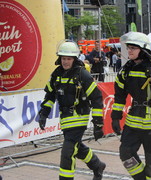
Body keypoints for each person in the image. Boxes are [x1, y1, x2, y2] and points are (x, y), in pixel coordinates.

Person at [38, 40, 106, 180]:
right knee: (76, 146)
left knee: (67, 152)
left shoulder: (83, 75)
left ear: (75, 59)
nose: (66, 62)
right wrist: (44, 113)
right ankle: (97, 165)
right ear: (59, 58)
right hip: (65, 119)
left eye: (69, 59)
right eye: (63, 58)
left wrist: (98, 123)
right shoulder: (56, 74)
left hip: (79, 117)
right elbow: (50, 95)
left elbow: (97, 97)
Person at [111, 32, 151, 180]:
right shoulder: (125, 72)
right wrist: (115, 117)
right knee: (125, 154)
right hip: (133, 122)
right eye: (128, 47)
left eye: (133, 48)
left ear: (143, 50)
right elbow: (119, 97)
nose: (129, 51)